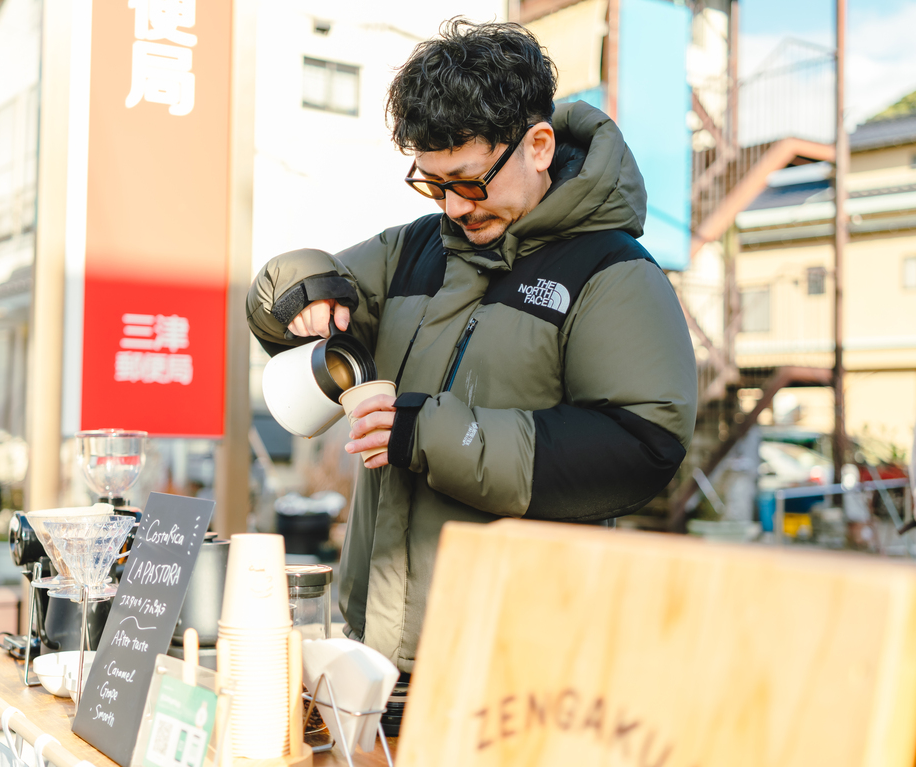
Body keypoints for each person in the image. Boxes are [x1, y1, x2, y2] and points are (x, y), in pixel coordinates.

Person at [247, 19, 697, 672]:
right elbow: (282, 298)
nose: (454, 208)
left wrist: (431, 433)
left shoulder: (612, 271)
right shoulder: (415, 249)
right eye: (433, 183)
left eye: (470, 180)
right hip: (373, 649)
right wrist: (299, 291)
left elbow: (641, 445)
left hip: (518, 660)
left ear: (539, 145)